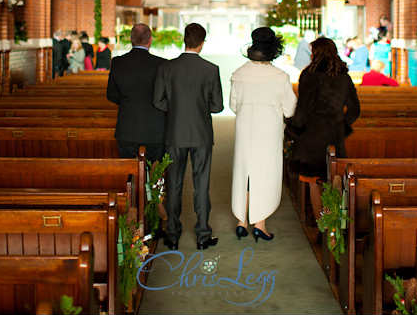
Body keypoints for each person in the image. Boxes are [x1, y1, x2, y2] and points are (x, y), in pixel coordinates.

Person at [153, 22, 223, 251]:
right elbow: (217, 106)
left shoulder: (167, 68)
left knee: (174, 184)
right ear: (202, 43)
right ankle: (203, 235)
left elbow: (158, 101)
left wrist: (175, 110)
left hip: (174, 132)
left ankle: (172, 235)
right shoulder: (210, 69)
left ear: (184, 40)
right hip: (201, 133)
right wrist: (201, 108)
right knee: (201, 184)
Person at [230, 27, 297, 242]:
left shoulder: (239, 73)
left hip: (244, 127)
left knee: (244, 171)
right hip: (268, 129)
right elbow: (290, 109)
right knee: (265, 173)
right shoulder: (279, 76)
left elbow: (233, 105)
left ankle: (242, 222)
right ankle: (259, 224)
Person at [288, 37, 360, 224]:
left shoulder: (309, 74)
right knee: (333, 180)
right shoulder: (343, 76)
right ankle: (333, 227)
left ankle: (322, 225)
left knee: (313, 181)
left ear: (315, 53)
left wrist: (295, 129)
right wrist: (341, 126)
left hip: (312, 135)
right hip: (333, 135)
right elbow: (354, 109)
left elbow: (302, 108)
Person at [106, 24, 167, 164]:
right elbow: (166, 96)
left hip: (127, 127)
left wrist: (128, 102)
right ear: (150, 40)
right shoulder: (162, 64)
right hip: (155, 129)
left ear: (131, 39)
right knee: (155, 173)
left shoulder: (118, 62)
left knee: (128, 172)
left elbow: (111, 94)